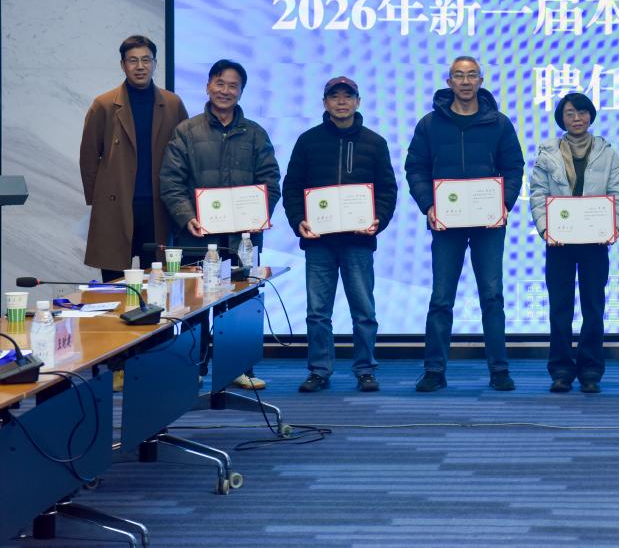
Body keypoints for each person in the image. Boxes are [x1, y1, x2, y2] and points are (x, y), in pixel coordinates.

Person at [159, 58, 280, 390]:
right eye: (220, 83)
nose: (225, 91)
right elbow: (171, 181)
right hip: (196, 236)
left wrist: (257, 216)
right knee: (195, 304)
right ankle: (193, 369)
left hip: (242, 239)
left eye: (233, 86)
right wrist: (186, 216)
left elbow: (271, 181)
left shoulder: (255, 134)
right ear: (208, 86)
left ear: (241, 92)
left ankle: (239, 369)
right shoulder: (187, 131)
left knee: (240, 304)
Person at [405, 57, 525, 393]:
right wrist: (428, 204)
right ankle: (434, 370)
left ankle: (499, 370)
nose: (466, 81)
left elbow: (514, 167)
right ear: (449, 82)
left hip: (488, 222)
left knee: (492, 296)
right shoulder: (430, 124)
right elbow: (415, 168)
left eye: (472, 75)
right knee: (441, 298)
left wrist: (504, 203)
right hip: (447, 223)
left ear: (481, 81)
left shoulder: (498, 123)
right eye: (459, 75)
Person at [282, 77, 398, 394]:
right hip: (319, 242)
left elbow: (387, 190)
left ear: (358, 102)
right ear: (325, 103)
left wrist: (378, 220)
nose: (342, 101)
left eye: (348, 96)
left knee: (364, 312)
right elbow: (292, 187)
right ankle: (319, 371)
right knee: (318, 313)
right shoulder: (308, 141)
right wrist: (298, 221)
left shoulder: (375, 142)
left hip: (359, 240)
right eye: (335, 96)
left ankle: (365, 370)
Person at [528, 92, 619, 394]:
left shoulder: (607, 153)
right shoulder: (548, 153)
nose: (577, 118)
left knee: (593, 308)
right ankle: (560, 370)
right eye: (570, 113)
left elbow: (617, 192)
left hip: (595, 242)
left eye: (582, 112)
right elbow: (538, 193)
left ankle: (590, 370)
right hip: (559, 242)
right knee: (560, 308)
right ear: (561, 118)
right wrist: (546, 229)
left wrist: (612, 226)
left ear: (591, 116)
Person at [79, 35, 189, 282]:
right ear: (123, 65)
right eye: (133, 60)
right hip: (116, 206)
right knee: (115, 282)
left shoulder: (172, 103)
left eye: (146, 60)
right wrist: (98, 201)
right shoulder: (104, 104)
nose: (140, 67)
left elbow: (186, 155)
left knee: (159, 282)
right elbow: (88, 157)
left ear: (155, 63)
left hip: (158, 207)